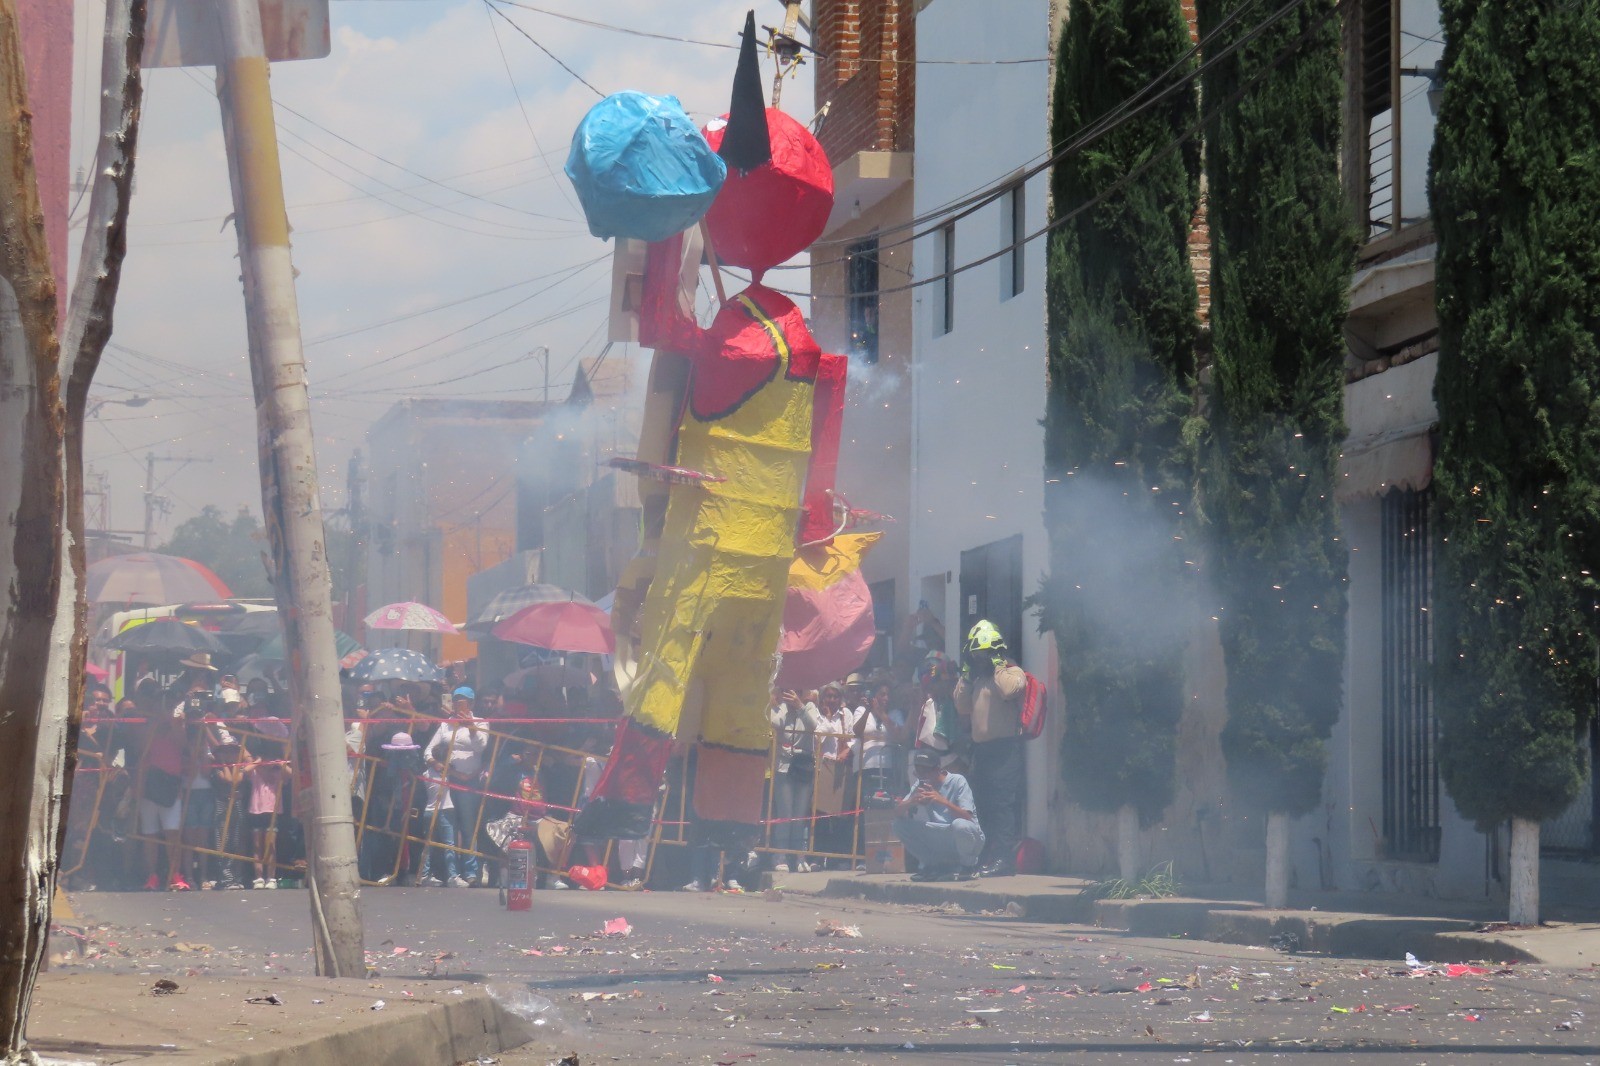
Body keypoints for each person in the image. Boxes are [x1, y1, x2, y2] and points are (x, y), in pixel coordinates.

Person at [954, 621, 1027, 878]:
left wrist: (997, 664)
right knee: (982, 805)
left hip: (1005, 750)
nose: (978, 659)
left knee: (1002, 805)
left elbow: (1011, 689)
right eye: (974, 655)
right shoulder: (978, 678)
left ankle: (1004, 860)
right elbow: (962, 706)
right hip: (982, 751)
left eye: (982, 654)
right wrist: (966, 674)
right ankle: (985, 856)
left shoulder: (1009, 672)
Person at [426, 687, 490, 885]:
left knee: (468, 826)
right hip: (447, 779)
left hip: (469, 781)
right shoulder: (446, 725)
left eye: (462, 701)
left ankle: (470, 871)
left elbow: (481, 746)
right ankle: (451, 872)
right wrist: (436, 763)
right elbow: (428, 750)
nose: (457, 704)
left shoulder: (481, 722)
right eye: (455, 700)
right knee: (449, 828)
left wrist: (471, 726)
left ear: (471, 704)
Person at [892, 749, 983, 882]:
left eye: (926, 772)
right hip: (942, 836)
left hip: (968, 837)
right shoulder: (920, 784)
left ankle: (968, 866)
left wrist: (942, 801)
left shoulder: (957, 781)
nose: (922, 776)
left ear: (938, 770)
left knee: (960, 825)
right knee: (898, 825)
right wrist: (911, 801)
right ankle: (932, 866)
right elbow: (897, 813)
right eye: (919, 772)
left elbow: (967, 817)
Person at [767, 689, 823, 873]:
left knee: (800, 814)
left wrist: (799, 707)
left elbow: (813, 725)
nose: (793, 694)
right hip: (784, 765)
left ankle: (799, 856)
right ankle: (780, 855)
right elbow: (776, 722)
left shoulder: (809, 707)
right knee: (785, 813)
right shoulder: (780, 707)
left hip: (803, 765)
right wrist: (785, 707)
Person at [245, 718, 291, 888]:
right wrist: (258, 762)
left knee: (271, 844)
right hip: (256, 808)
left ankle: (271, 877)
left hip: (273, 809)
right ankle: (258, 877)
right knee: (257, 843)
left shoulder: (279, 767)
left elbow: (291, 775)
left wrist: (279, 763)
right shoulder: (257, 767)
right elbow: (244, 771)